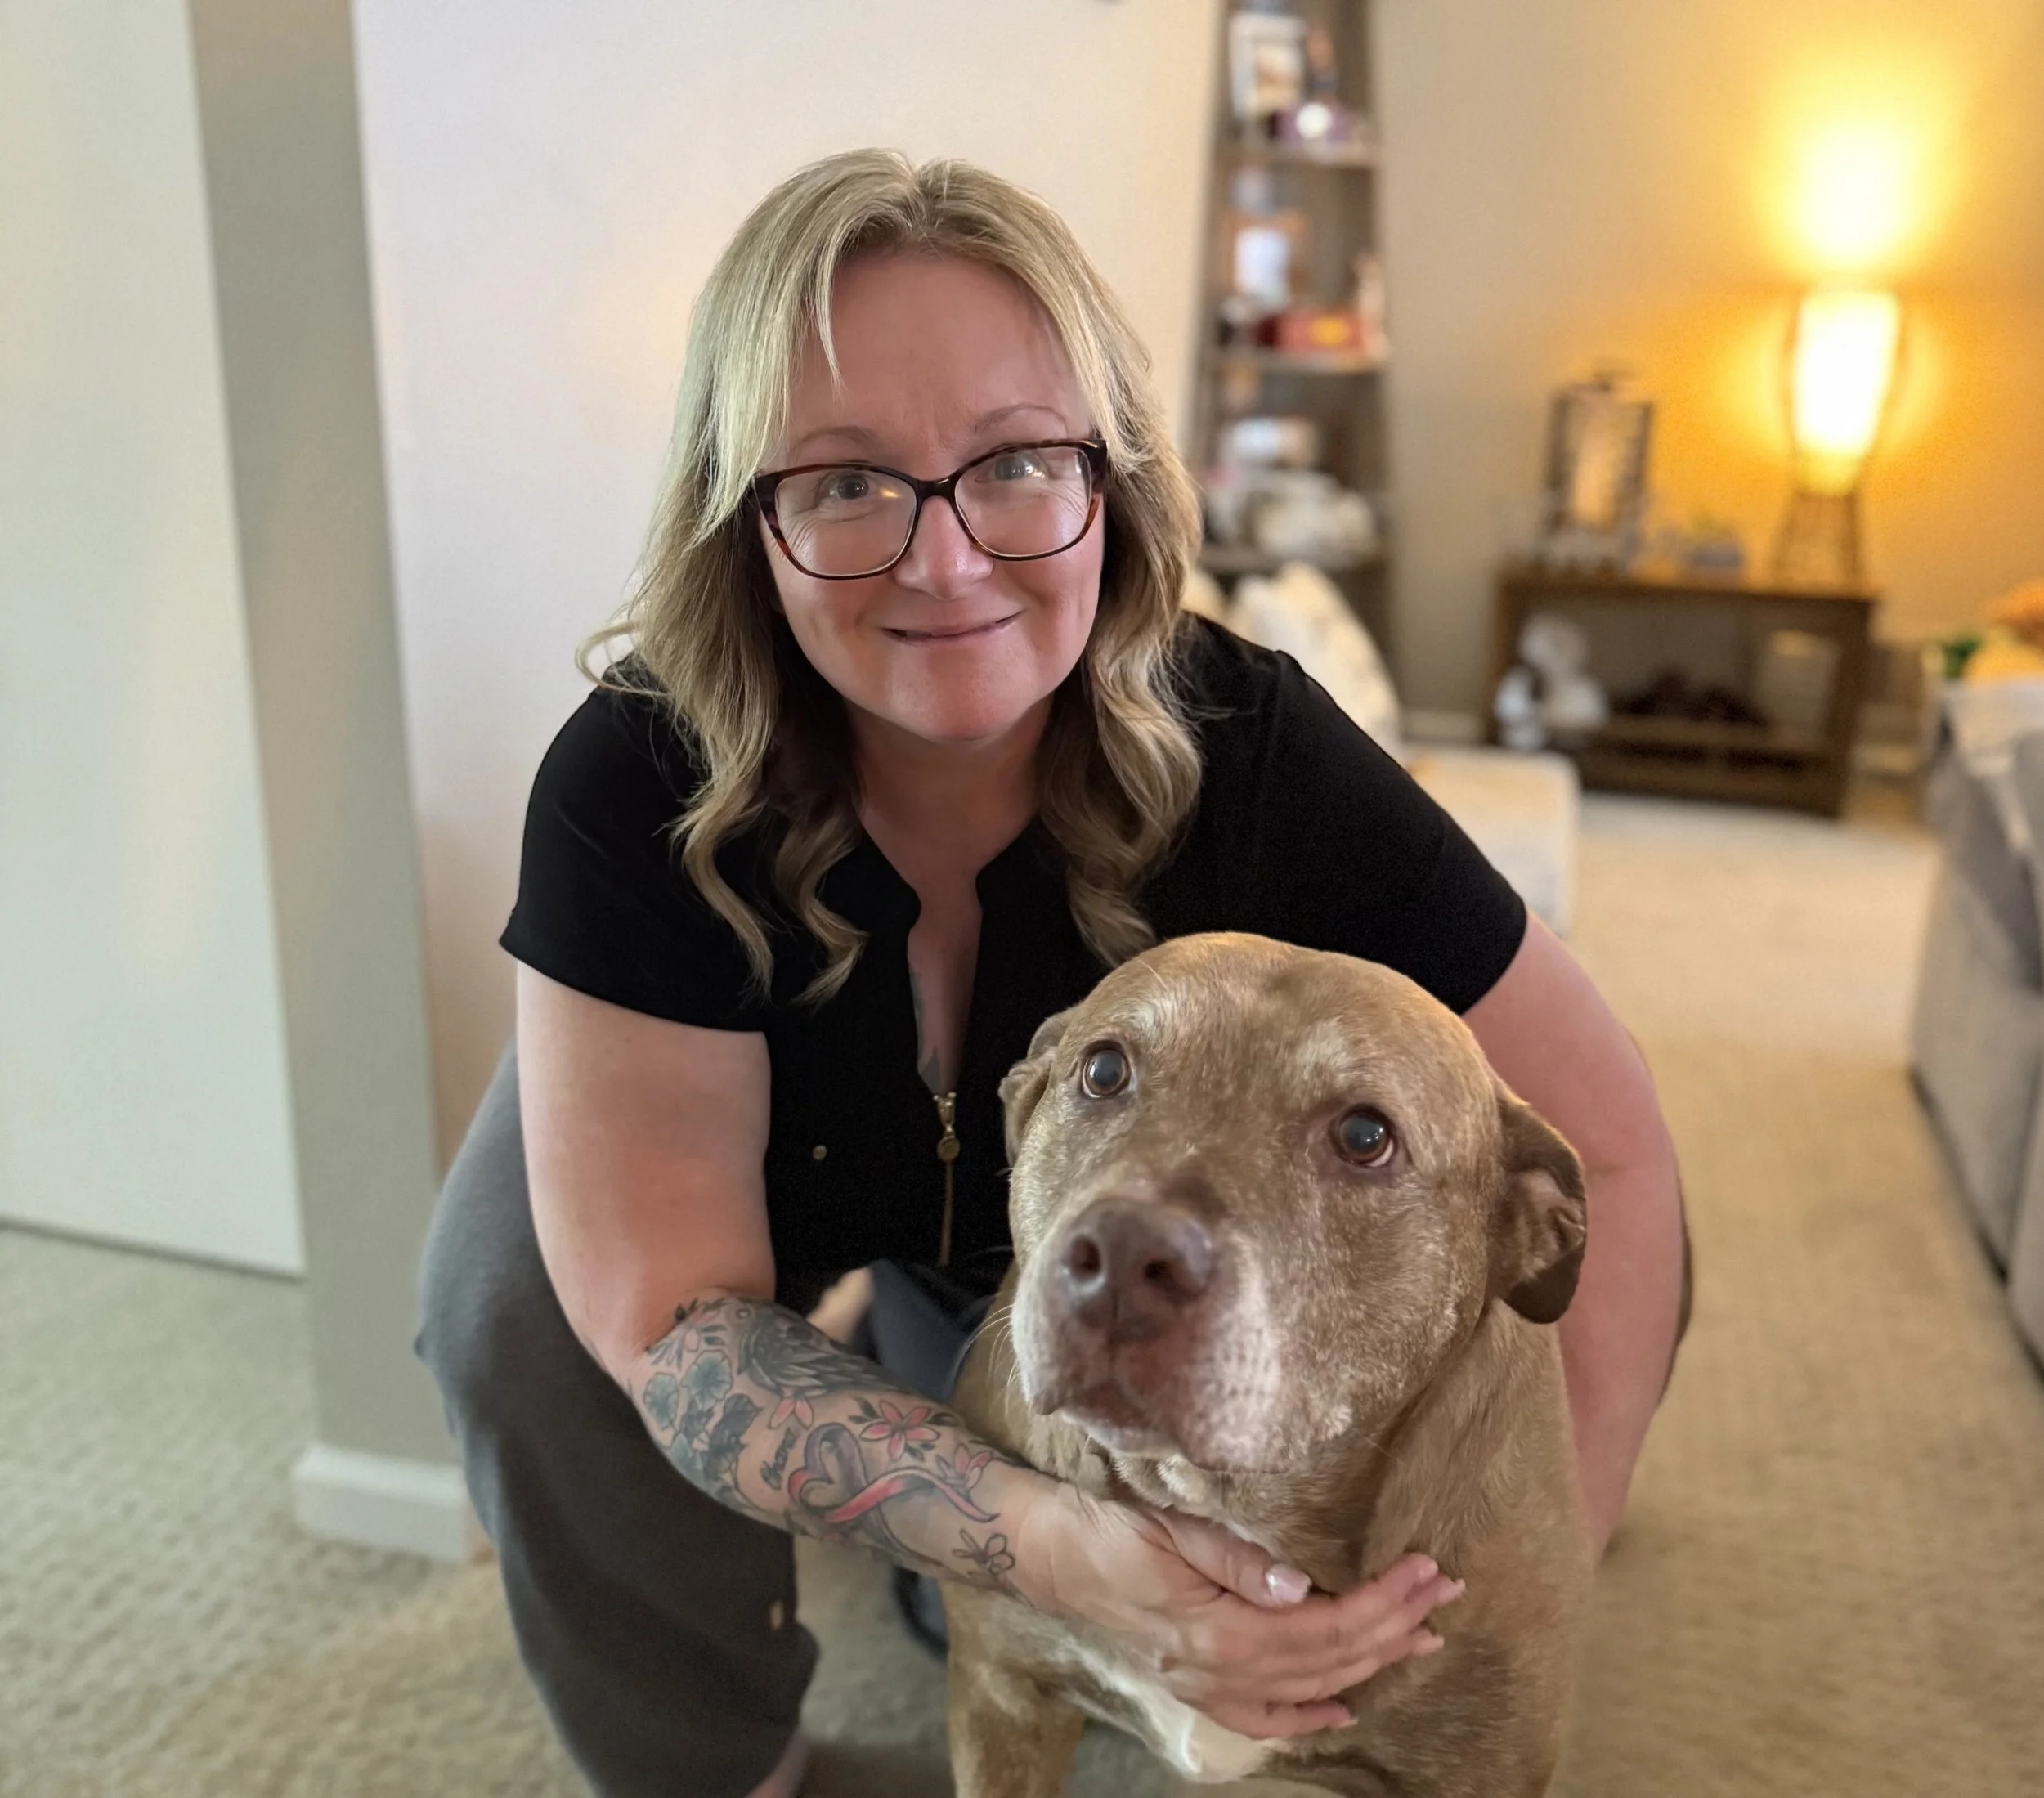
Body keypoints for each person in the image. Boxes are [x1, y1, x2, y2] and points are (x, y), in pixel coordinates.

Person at [417, 149, 1688, 1798]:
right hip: (769, 1216)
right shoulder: (634, 782)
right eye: (844, 482)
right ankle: (724, 1762)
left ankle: (924, 1363)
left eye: (1014, 463)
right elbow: (668, 1320)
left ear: (1116, 480)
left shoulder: (1256, 750)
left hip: (1066, 1253)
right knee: (513, 1309)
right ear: (747, 522)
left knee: (1019, 1581)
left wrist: (1532, 1564)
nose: (945, 563)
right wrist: (1045, 1549)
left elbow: (1606, 1152)